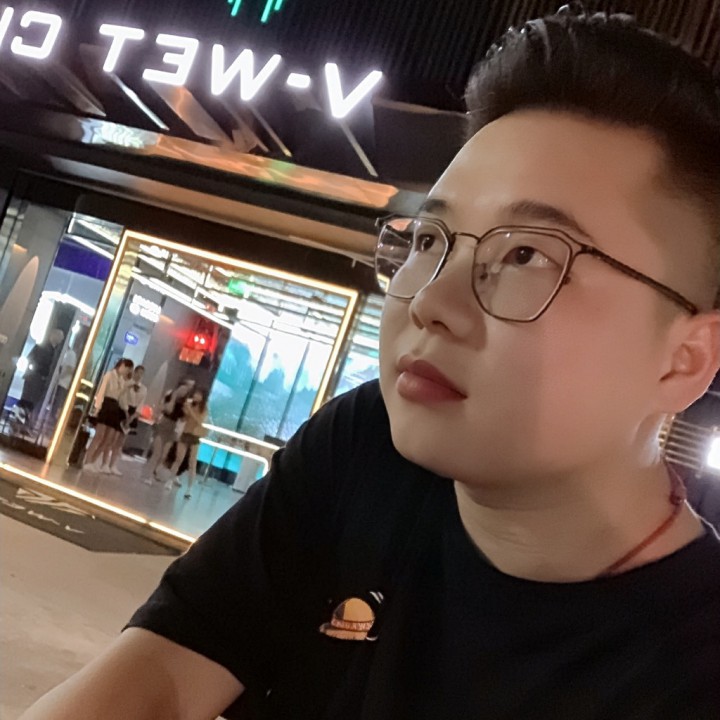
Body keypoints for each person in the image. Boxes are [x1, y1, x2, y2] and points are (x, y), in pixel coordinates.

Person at [19, 8, 720, 720]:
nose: (431, 301)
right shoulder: (366, 449)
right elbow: (161, 678)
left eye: (527, 255)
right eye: (430, 240)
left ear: (683, 362)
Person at [82, 358, 133, 474]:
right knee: (99, 436)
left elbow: (120, 396)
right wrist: (97, 407)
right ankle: (87, 461)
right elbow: (102, 391)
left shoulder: (121, 380)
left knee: (107, 439)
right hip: (106, 404)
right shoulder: (109, 375)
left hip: (115, 407)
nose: (127, 372)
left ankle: (93, 461)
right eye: (127, 369)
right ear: (122, 365)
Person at [143, 377, 195, 483]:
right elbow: (168, 409)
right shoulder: (170, 394)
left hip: (173, 427)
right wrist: (174, 396)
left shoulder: (186, 403)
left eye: (190, 387)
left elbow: (183, 418)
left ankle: (154, 472)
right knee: (157, 453)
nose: (187, 389)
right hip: (163, 424)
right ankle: (148, 476)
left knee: (164, 455)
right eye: (186, 386)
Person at [165, 387, 209, 499]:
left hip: (195, 436)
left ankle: (189, 488)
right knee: (178, 459)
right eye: (195, 394)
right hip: (185, 433)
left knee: (192, 463)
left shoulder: (204, 408)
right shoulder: (190, 404)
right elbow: (184, 418)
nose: (196, 396)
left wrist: (190, 410)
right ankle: (170, 480)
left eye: (198, 395)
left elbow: (199, 420)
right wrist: (186, 410)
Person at [18, 327, 64, 429]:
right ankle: (20, 423)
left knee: (31, 402)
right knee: (27, 400)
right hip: (35, 378)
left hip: (38, 378)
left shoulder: (52, 350)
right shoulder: (43, 348)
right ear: (53, 335)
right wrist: (37, 371)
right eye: (59, 337)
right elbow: (33, 360)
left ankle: (23, 423)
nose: (60, 340)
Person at [105, 365, 148, 475]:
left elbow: (140, 405)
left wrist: (133, 417)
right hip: (122, 410)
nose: (139, 375)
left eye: (142, 374)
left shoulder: (144, 389)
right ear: (134, 372)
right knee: (112, 438)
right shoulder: (127, 383)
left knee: (120, 441)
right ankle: (105, 463)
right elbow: (122, 398)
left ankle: (112, 465)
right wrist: (126, 413)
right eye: (138, 372)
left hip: (133, 412)